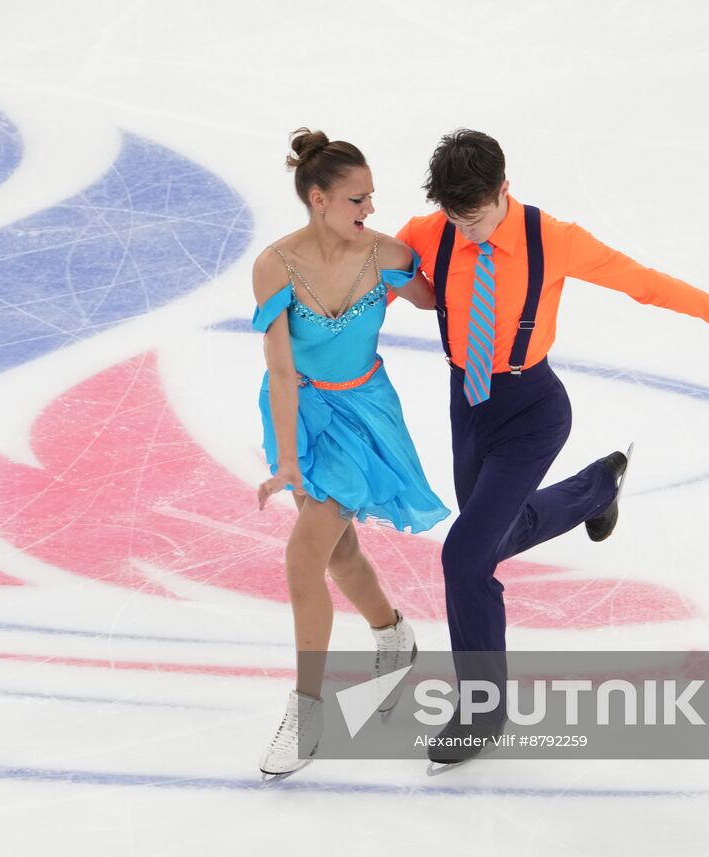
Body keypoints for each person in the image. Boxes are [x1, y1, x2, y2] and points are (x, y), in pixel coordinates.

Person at [394, 129, 709, 764]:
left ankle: (482, 712)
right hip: (467, 407)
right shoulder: (429, 231)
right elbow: (371, 273)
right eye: (456, 220)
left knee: (466, 557)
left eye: (478, 217)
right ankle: (599, 487)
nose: (467, 234)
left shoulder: (554, 240)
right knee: (495, 538)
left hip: (533, 413)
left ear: (503, 191)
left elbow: (645, 283)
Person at [251, 128, 449, 777]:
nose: (369, 209)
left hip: (362, 417)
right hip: (302, 414)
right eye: (357, 198)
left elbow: (440, 298)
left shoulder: (386, 254)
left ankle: (307, 717)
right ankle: (394, 634)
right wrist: (284, 459)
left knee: (304, 556)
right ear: (318, 198)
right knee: (337, 549)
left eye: (371, 197)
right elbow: (280, 371)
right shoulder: (275, 265)